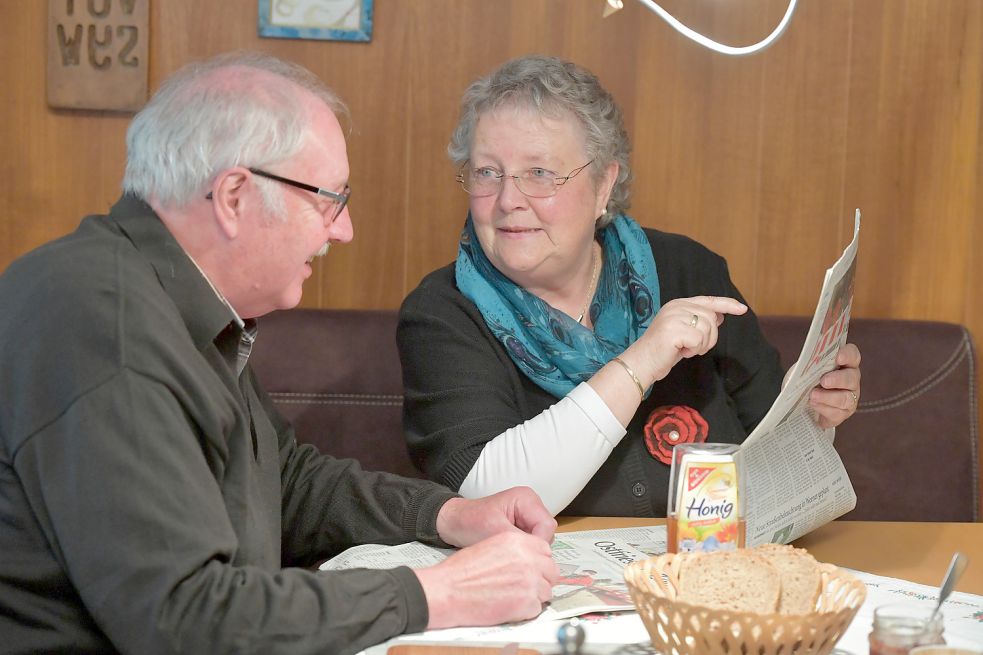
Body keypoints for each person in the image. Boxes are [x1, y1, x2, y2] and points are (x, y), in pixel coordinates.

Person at [0, 52, 560, 655]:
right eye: (329, 199)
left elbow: (281, 480)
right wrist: (439, 595)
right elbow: (185, 621)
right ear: (235, 197)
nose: (342, 230)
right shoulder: (105, 327)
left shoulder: (166, 294)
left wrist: (446, 515)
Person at [397, 55, 862, 517]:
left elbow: (771, 465)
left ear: (603, 185)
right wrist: (642, 360)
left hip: (702, 574)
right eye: (487, 173)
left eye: (539, 174)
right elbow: (486, 494)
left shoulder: (688, 271)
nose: (508, 200)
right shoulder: (441, 313)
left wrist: (813, 418)